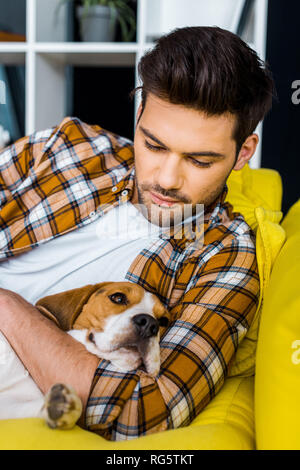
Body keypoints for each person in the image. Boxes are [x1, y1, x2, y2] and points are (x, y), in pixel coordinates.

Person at [0, 26, 274, 441]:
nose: (166, 179)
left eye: (200, 161)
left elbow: (141, 414)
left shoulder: (225, 260)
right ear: (140, 112)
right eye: (154, 145)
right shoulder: (67, 147)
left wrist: (6, 306)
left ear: (244, 153)